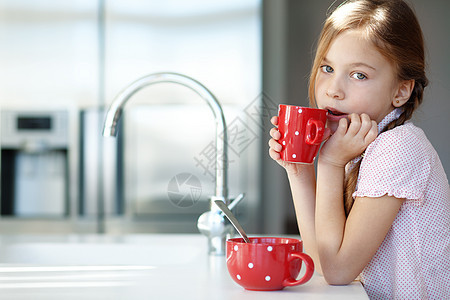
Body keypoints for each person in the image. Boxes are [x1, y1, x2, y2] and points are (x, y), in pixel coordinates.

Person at [268, 0, 450, 298]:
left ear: (401, 90)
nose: (333, 89)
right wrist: (298, 171)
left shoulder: (398, 147)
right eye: (327, 68)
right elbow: (322, 261)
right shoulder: (362, 143)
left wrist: (329, 163)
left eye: (359, 75)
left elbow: (339, 271)